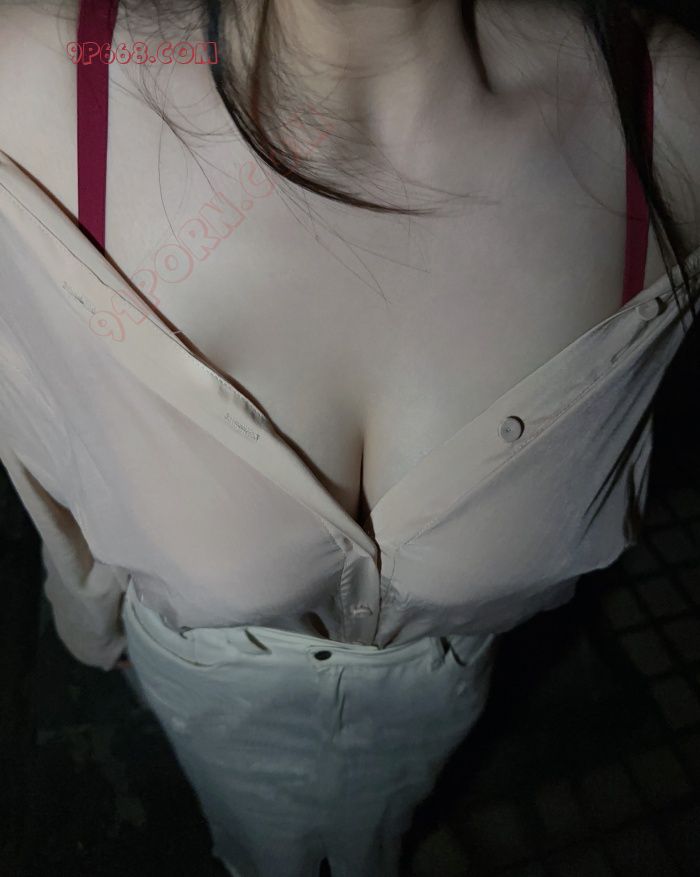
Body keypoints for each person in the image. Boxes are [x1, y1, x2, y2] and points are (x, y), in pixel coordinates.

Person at [1, 1, 699, 875]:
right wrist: (87, 616)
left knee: (382, 831)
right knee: (252, 845)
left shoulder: (671, 117)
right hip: (212, 699)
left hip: (437, 701)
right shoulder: (35, 84)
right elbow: (40, 443)